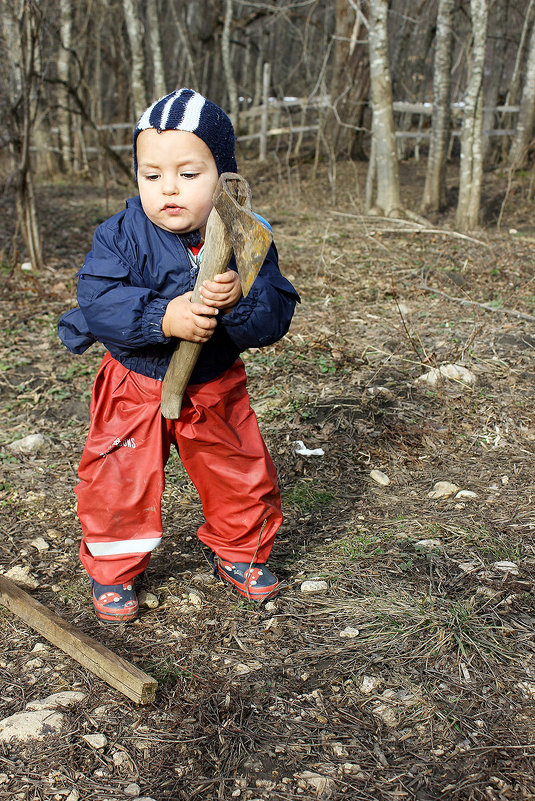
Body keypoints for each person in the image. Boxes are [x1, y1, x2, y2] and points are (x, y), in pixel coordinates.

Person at [58, 88, 299, 623]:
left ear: (224, 176)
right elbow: (98, 301)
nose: (168, 188)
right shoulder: (120, 235)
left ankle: (240, 551)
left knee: (238, 469)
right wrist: (164, 318)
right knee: (119, 478)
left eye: (189, 174)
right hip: (136, 382)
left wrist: (239, 300)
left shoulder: (247, 236)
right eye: (152, 174)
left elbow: (275, 314)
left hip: (214, 382)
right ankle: (115, 568)